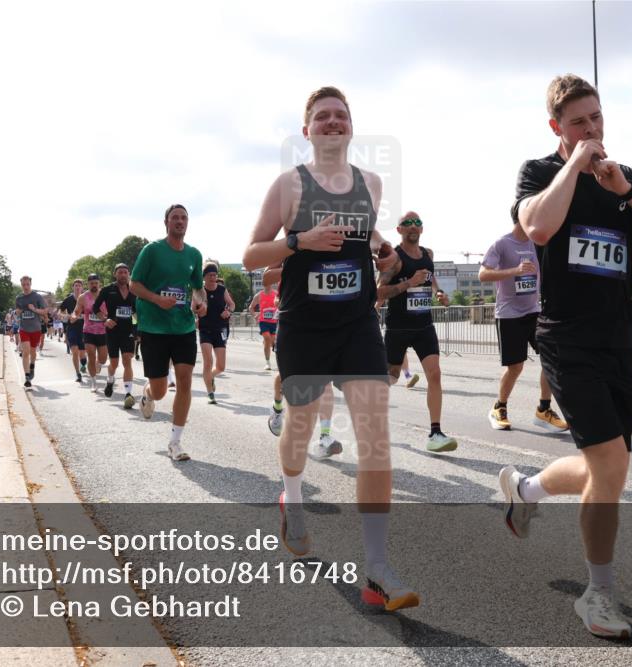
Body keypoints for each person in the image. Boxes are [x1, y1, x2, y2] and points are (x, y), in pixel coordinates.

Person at [497, 74, 632, 639]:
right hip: (563, 337)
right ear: (557, 127)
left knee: (609, 468)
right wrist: (573, 167)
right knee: (609, 467)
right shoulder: (541, 173)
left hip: (615, 342)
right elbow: (537, 225)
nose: (593, 129)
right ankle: (598, 593)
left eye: (597, 118)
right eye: (579, 121)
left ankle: (524, 492)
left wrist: (626, 190)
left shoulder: (623, 180)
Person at [243, 86, 417, 612]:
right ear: (308, 130)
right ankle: (291, 499)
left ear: (350, 126)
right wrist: (300, 242)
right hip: (303, 327)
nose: (333, 122)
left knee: (375, 435)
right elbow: (252, 255)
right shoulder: (287, 185)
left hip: (358, 324)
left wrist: (383, 251)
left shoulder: (371, 183)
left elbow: (363, 237)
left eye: (341, 115)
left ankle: (378, 567)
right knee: (298, 427)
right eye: (323, 117)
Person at [130, 203, 206, 461]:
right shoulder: (152, 251)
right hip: (154, 327)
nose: (180, 221)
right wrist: (156, 299)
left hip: (183, 326)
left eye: (184, 218)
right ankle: (148, 394)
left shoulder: (194, 255)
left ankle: (175, 442)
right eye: (175, 217)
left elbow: (197, 288)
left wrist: (201, 302)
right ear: (166, 222)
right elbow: (134, 284)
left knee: (185, 380)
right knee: (161, 390)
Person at [377, 211, 458, 452]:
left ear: (422, 229)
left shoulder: (428, 254)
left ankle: (435, 433)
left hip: (424, 326)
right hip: (398, 327)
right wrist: (408, 283)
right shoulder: (394, 259)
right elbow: (379, 292)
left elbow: (431, 280)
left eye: (417, 223)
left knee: (435, 374)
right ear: (399, 230)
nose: (413, 226)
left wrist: (439, 293)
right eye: (407, 223)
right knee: (389, 379)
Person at [480, 221, 569, 433]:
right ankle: (499, 408)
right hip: (509, 314)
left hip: (534, 312)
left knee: (551, 358)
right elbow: (483, 275)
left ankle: (543, 410)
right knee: (515, 367)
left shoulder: (537, 244)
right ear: (522, 217)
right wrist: (515, 270)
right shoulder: (502, 244)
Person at [93, 263, 139, 408]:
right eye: (120, 272)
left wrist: (137, 329)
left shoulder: (134, 291)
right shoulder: (108, 290)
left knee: (127, 361)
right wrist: (105, 319)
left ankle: (128, 394)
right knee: (114, 363)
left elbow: (136, 313)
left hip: (128, 332)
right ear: (115, 274)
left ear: (129, 274)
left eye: (126, 272)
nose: (123, 275)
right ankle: (110, 380)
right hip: (112, 332)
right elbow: (95, 308)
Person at [197, 261, 234, 404]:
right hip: (205, 329)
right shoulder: (199, 290)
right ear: (204, 277)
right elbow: (193, 307)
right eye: (210, 275)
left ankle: (209, 376)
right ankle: (210, 393)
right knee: (208, 362)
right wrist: (198, 310)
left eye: (215, 275)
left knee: (221, 366)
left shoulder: (221, 289)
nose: (213, 278)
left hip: (220, 329)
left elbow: (231, 304)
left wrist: (228, 311)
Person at [75, 274, 110, 391]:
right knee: (90, 355)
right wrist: (74, 316)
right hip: (88, 331)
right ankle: (94, 382)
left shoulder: (105, 295)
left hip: (103, 331)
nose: (94, 285)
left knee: (103, 359)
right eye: (91, 283)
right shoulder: (83, 297)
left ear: (99, 283)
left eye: (96, 283)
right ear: (87, 284)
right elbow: (77, 311)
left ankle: (99, 364)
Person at [15, 275, 48, 389]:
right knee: (26, 352)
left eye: (27, 284)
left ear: (30, 284)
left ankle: (32, 365)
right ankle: (27, 377)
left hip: (36, 328)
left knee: (33, 352)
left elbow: (45, 311)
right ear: (21, 285)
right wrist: (18, 311)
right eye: (23, 285)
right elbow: (17, 311)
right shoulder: (19, 298)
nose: (25, 286)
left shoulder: (37, 297)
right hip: (24, 328)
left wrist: (34, 309)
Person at [249, 281, 280, 370]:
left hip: (274, 322)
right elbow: (251, 307)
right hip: (263, 321)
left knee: (272, 341)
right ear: (263, 284)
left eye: (269, 282)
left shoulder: (276, 294)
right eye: (266, 282)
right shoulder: (259, 295)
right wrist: (255, 315)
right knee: (267, 338)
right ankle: (267, 362)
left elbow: (281, 305)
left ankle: (267, 344)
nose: (267, 284)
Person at [60, 280, 87, 381]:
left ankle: (83, 363)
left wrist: (83, 316)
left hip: (84, 328)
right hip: (72, 328)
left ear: (82, 288)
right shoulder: (68, 300)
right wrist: (65, 315)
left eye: (79, 286)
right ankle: (77, 373)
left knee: (82, 353)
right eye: (76, 286)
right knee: (74, 351)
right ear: (73, 287)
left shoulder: (86, 298)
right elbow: (61, 311)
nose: (78, 287)